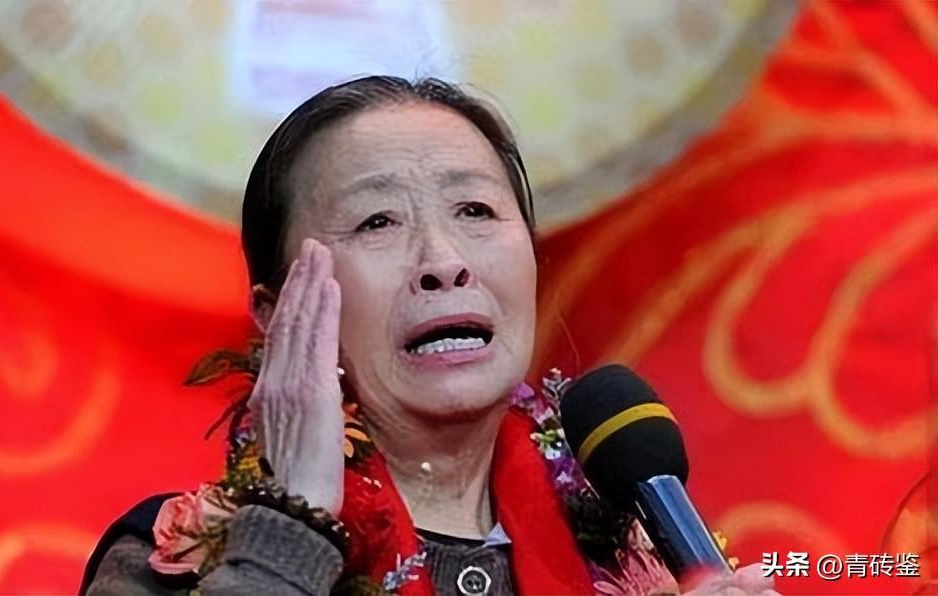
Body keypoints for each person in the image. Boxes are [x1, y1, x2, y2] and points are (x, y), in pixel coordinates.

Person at [83, 76, 776, 596]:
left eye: (475, 210)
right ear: (276, 312)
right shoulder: (177, 556)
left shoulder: (642, 564)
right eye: (377, 222)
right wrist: (290, 531)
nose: (443, 261)